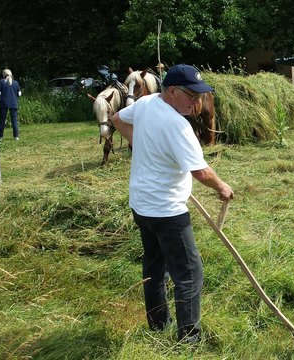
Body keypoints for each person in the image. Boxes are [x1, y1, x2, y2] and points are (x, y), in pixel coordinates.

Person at [111, 64, 234, 343]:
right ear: (172, 91)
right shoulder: (178, 126)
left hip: (141, 205)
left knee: (154, 267)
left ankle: (158, 325)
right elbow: (201, 172)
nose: (197, 102)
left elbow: (117, 118)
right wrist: (223, 187)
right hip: (167, 212)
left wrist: (140, 144)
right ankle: (189, 339)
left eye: (199, 95)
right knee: (189, 273)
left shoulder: (145, 104)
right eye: (191, 95)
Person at [0, 69, 22, 141]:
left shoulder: (1, 82)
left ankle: (0, 137)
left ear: (3, 75)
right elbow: (19, 94)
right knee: (14, 121)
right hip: (13, 103)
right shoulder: (16, 83)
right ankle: (16, 137)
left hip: (4, 103)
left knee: (2, 120)